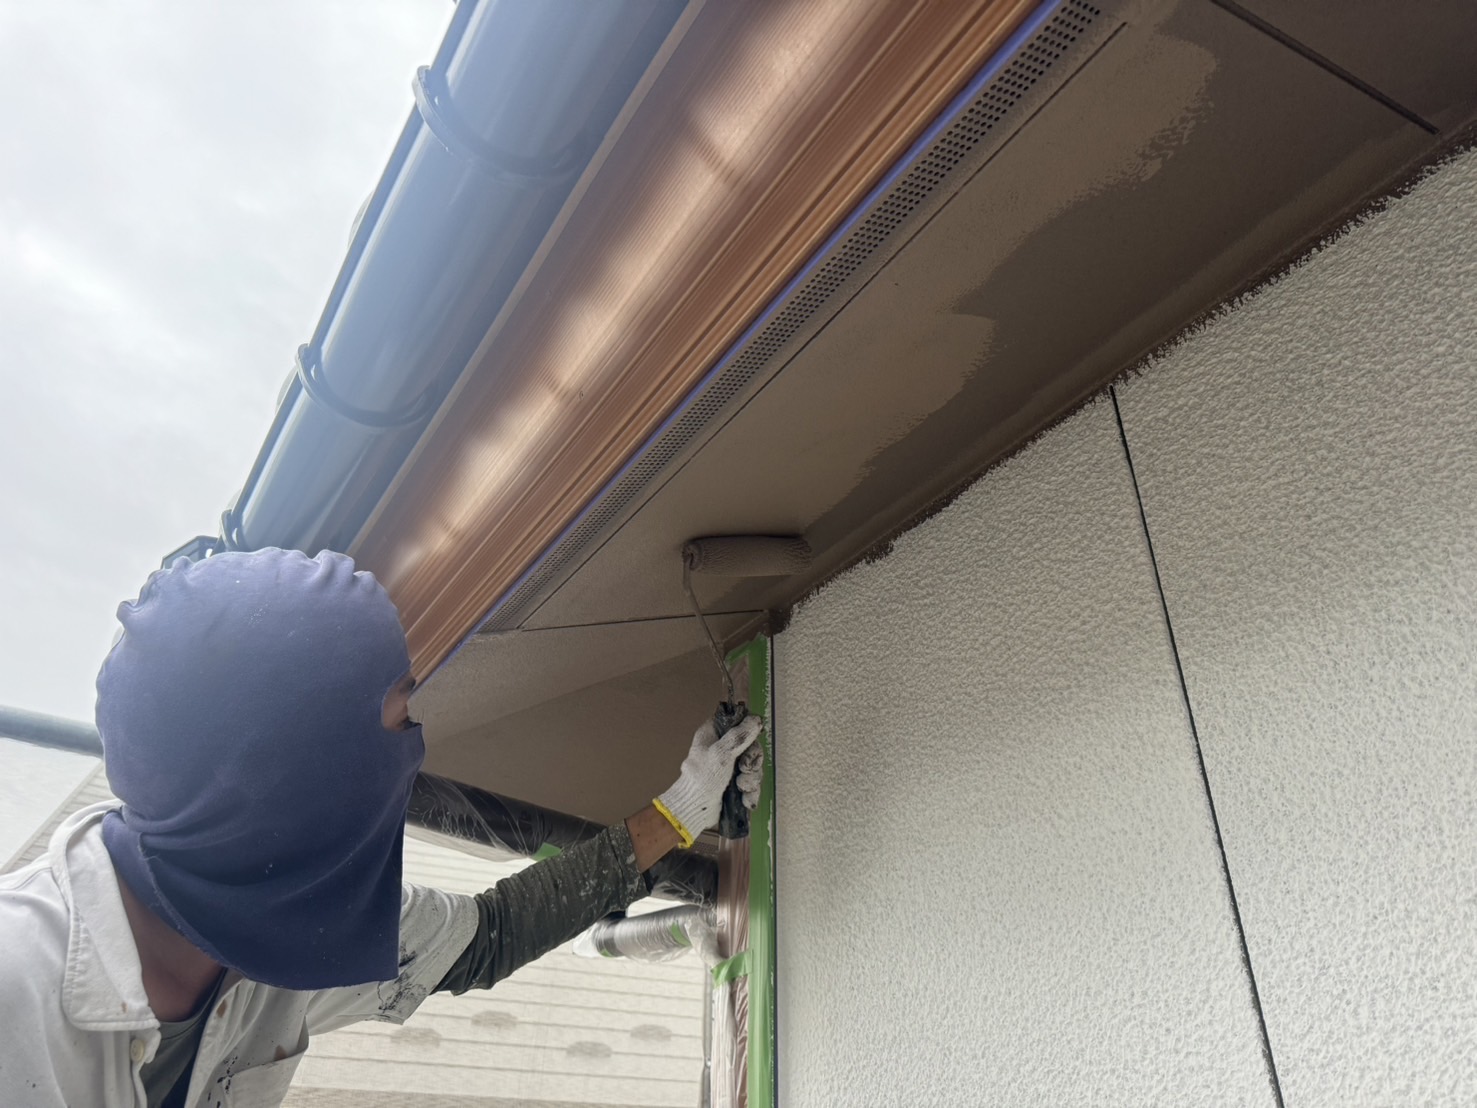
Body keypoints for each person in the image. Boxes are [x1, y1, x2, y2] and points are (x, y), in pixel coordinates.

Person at [0, 548, 762, 1108]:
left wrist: (682, 810)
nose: (414, 749)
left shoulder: (284, 925)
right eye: (400, 717)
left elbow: (490, 934)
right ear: (300, 768)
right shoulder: (17, 985)